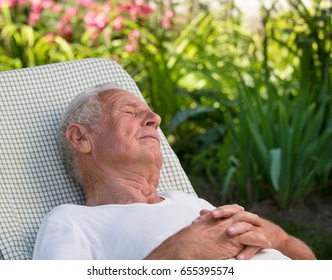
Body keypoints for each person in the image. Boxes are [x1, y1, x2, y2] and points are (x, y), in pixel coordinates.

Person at [32, 83, 316, 260]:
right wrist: (180, 252)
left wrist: (276, 237)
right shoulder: (72, 222)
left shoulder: (190, 203)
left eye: (151, 115)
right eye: (130, 112)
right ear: (81, 138)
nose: (155, 119)